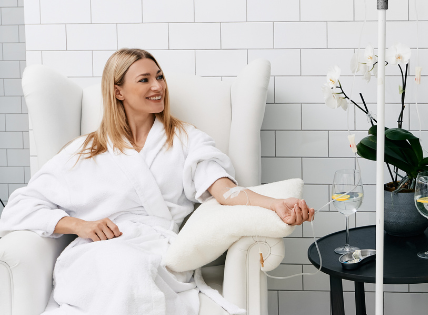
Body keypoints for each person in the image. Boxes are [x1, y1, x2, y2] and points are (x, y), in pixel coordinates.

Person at [0, 48, 315, 315]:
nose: (158, 86)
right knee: (119, 266)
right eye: (145, 80)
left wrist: (275, 204)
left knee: (131, 268)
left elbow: (225, 191)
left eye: (160, 77)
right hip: (95, 254)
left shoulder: (186, 138)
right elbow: (20, 207)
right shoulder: (84, 150)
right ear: (118, 91)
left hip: (156, 251)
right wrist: (80, 225)